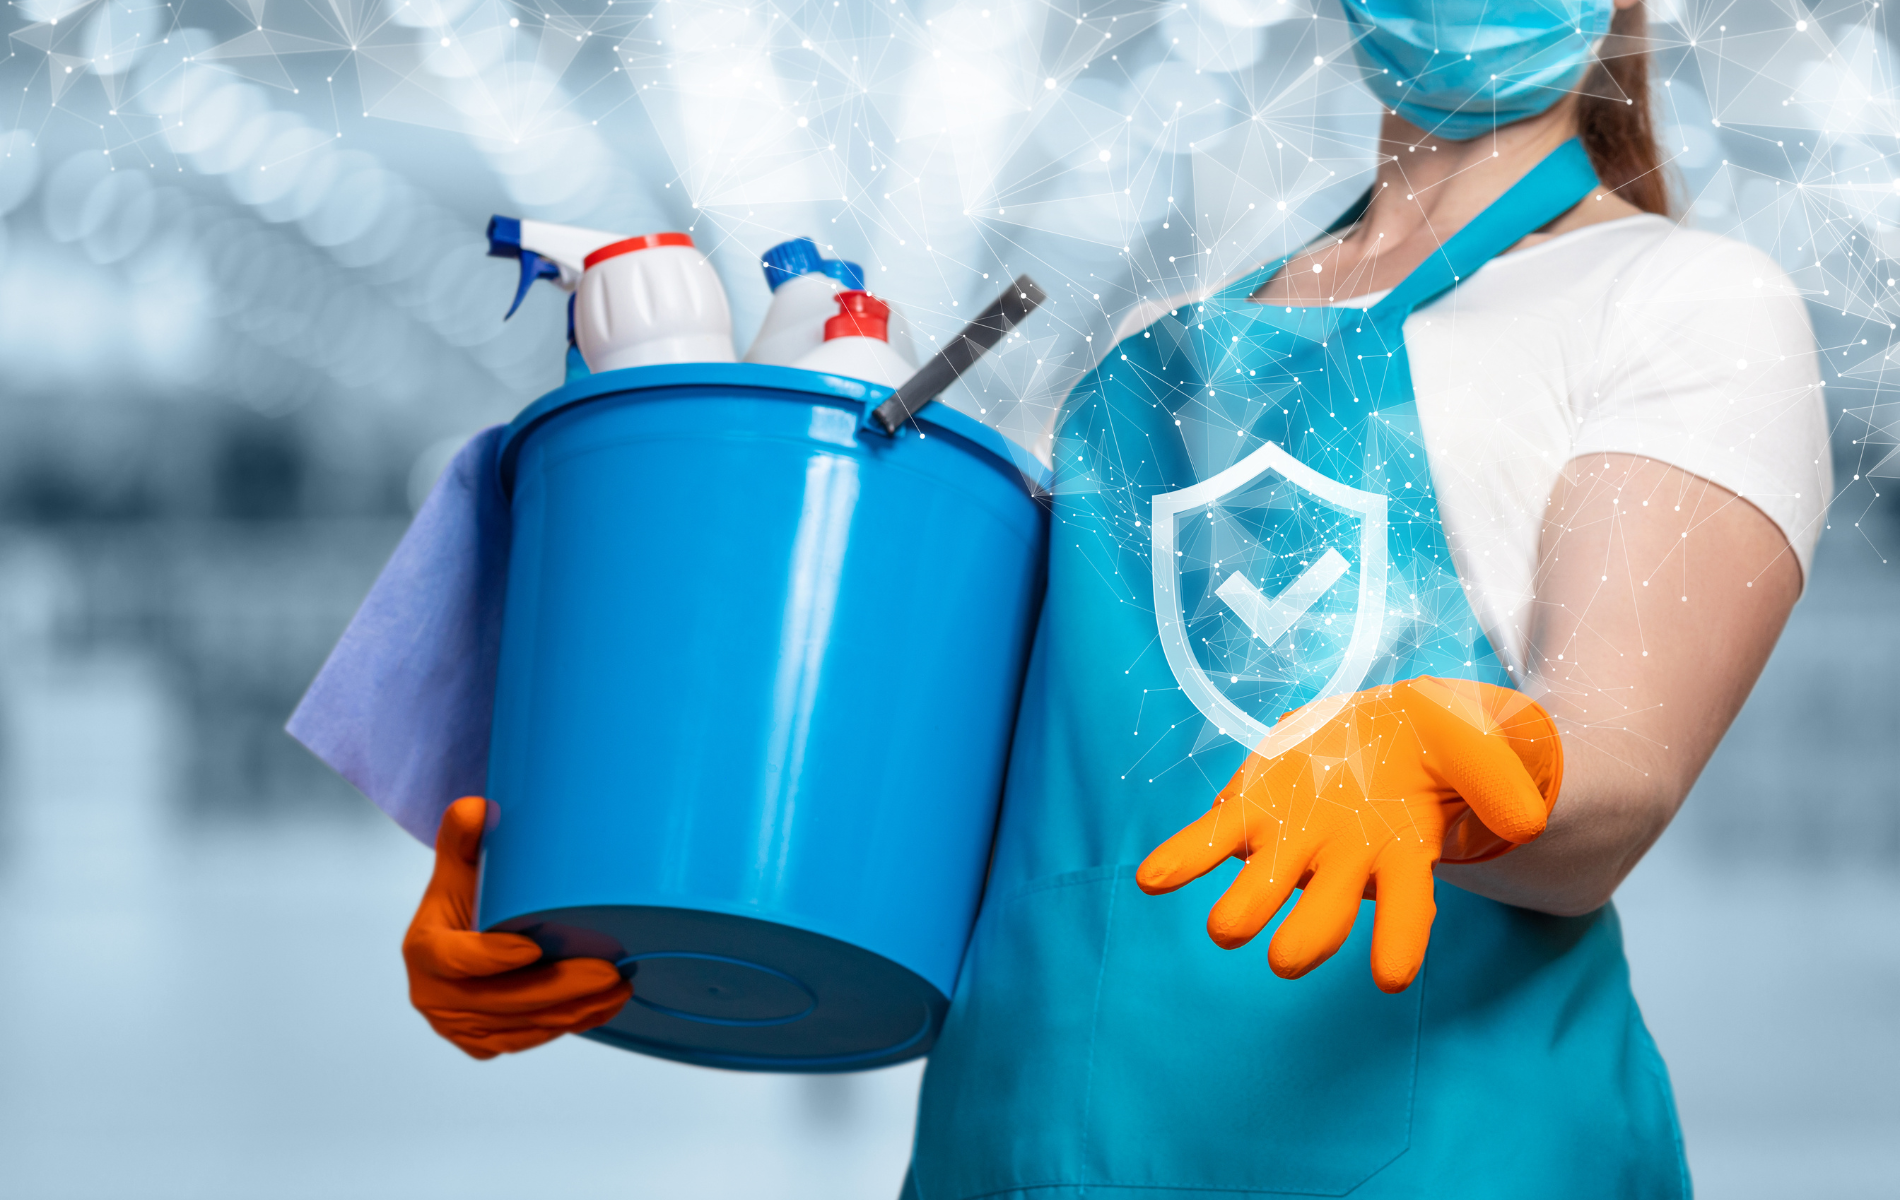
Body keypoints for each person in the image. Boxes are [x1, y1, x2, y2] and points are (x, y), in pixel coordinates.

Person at [399, 0, 1829, 1193]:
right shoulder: (1152, 349)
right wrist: (590, 881)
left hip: (1431, 1158)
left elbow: (1617, 768)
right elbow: (974, 813)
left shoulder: (1683, 299)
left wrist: (1461, 768)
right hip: (1013, 1153)